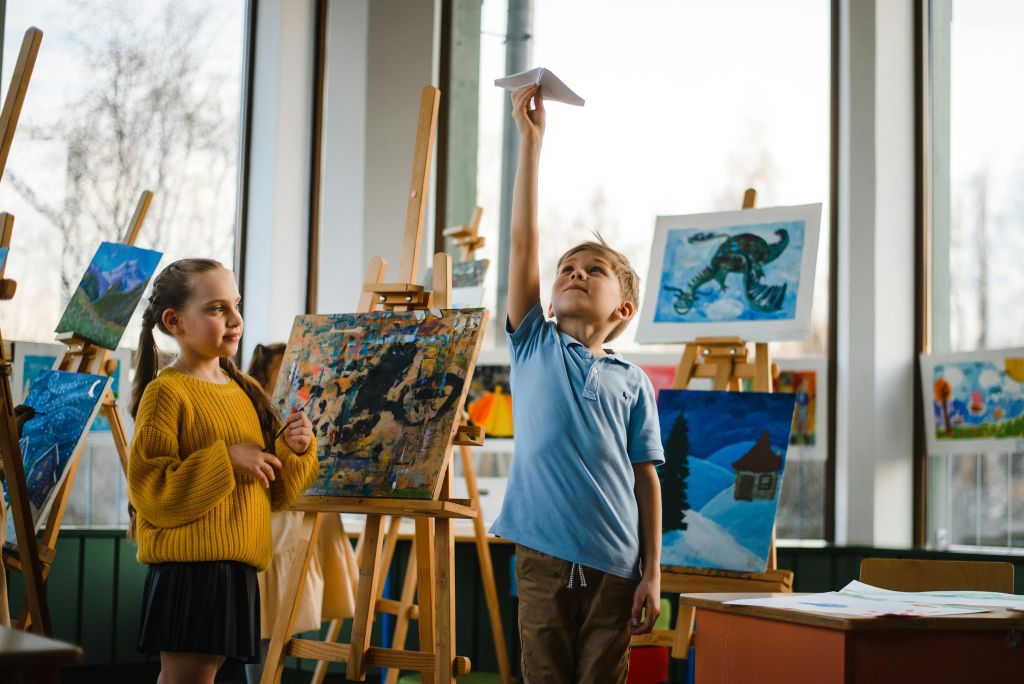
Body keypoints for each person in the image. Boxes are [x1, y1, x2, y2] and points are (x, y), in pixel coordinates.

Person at [489, 85, 665, 684]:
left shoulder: (633, 381)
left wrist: (652, 572)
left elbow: (646, 481)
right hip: (541, 560)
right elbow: (521, 246)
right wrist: (530, 145)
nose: (575, 274)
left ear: (624, 307)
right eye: (568, 267)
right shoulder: (534, 342)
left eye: (595, 271)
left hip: (618, 569)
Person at [127, 259, 319, 684]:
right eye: (217, 309)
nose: (235, 320)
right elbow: (151, 493)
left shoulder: (246, 391)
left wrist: (294, 451)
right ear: (174, 321)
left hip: (236, 567)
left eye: (236, 305)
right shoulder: (166, 393)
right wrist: (226, 460)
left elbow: (276, 495)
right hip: (190, 571)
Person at [243, 344, 355, 684]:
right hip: (274, 528)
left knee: (283, 624)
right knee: (264, 626)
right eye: (285, 376)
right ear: (262, 381)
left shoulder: (315, 410)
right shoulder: (253, 416)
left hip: (308, 519)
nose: (297, 386)